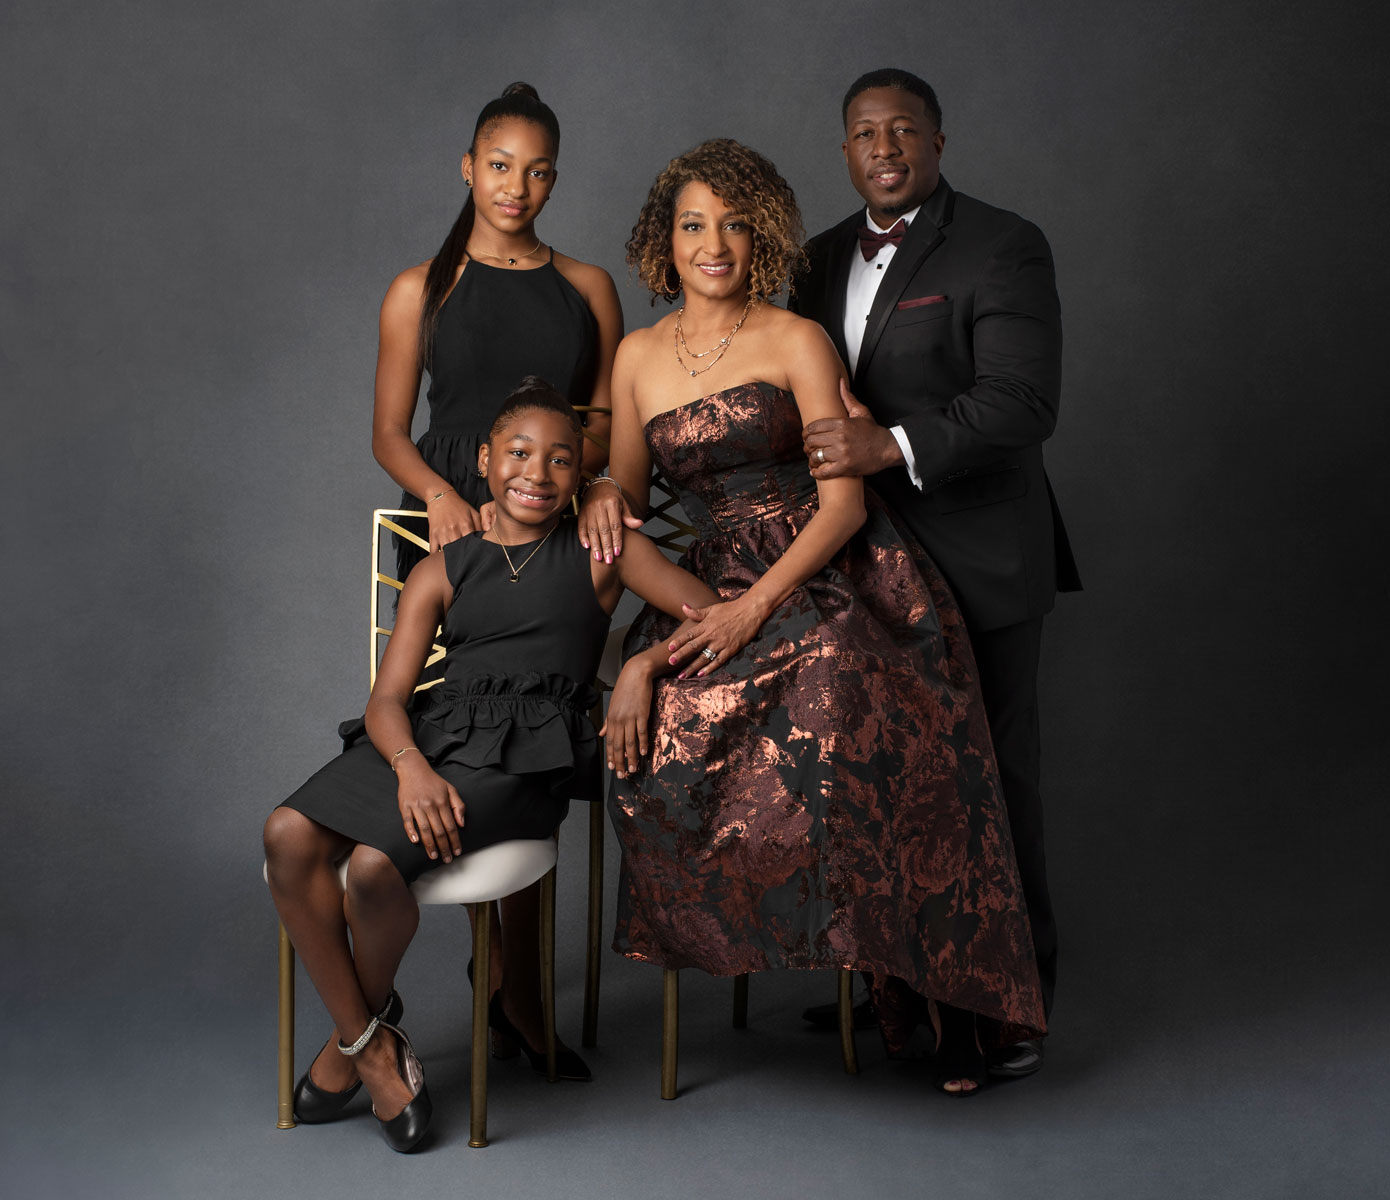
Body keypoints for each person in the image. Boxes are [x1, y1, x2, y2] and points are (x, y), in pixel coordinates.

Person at [580, 139, 1044, 1096]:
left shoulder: (794, 336)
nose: (716, 242)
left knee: (844, 690)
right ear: (663, 240)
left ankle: (950, 1000)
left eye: (736, 223)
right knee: (670, 722)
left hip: (831, 573)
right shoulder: (632, 359)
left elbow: (845, 506)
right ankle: (814, 945)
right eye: (695, 224)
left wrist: (756, 607)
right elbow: (621, 530)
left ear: (765, 234)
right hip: (705, 587)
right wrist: (692, 613)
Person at [264, 379, 722, 1150]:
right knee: (285, 833)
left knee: (377, 869)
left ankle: (358, 1043)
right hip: (430, 736)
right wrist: (410, 766)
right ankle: (370, 1042)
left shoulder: (604, 549)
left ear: (582, 474)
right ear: (484, 461)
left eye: (560, 459)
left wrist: (639, 668)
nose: (536, 473)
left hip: (531, 750)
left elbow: (713, 616)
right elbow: (386, 703)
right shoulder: (443, 566)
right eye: (517, 454)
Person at [790, 68, 1082, 1079]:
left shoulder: (1003, 244)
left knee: (992, 783)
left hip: (981, 558)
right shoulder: (819, 258)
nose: (884, 146)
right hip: (862, 565)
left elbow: (1020, 402)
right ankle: (905, 990)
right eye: (864, 132)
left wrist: (894, 446)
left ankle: (1015, 1004)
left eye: (902, 129)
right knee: (885, 784)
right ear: (844, 151)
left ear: (937, 142)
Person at [372, 82, 623, 587]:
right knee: (443, 665)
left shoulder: (590, 287)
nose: (517, 187)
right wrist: (439, 497)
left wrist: (542, 491)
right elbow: (388, 434)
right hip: (449, 509)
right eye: (500, 166)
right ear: (469, 167)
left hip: (555, 501)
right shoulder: (416, 289)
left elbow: (605, 421)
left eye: (537, 172)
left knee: (550, 664)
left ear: (553, 181)